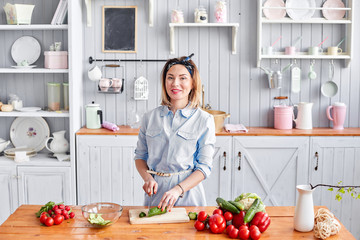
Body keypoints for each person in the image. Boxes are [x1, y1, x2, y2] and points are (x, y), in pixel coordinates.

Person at [134, 54, 216, 212]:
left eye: (183, 78)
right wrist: (148, 178)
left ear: (193, 83)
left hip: (189, 196)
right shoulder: (149, 118)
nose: (175, 83)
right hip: (156, 195)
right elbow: (140, 157)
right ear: (164, 83)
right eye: (170, 77)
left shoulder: (204, 120)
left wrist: (178, 189)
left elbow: (204, 168)